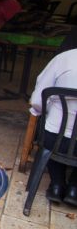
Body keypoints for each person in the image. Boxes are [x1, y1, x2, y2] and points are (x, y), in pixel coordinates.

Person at [29, 49, 77, 206]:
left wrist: (49, 109)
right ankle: (74, 189)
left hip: (55, 138)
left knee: (51, 140)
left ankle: (57, 184)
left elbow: (37, 100)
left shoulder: (64, 58)